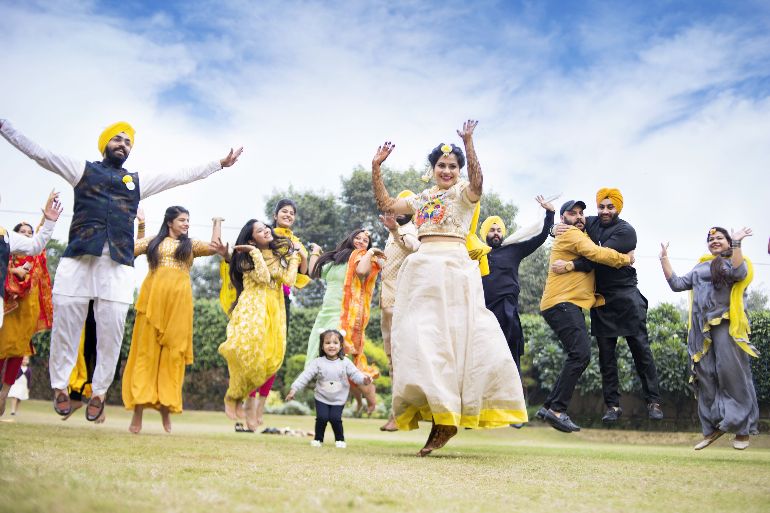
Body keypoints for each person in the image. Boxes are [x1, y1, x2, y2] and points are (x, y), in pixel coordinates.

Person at [0, 118, 242, 421]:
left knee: (112, 329)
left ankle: (99, 391)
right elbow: (40, 153)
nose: (123, 145)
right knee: (67, 326)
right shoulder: (81, 170)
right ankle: (60, 386)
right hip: (78, 259)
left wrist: (218, 163)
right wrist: (4, 126)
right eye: (118, 139)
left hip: (116, 266)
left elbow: (179, 175)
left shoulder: (137, 181)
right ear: (105, 144)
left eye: (128, 142)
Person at [371, 120, 528, 456]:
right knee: (417, 338)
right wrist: (375, 167)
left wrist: (469, 144)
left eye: (452, 166)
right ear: (433, 169)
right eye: (441, 165)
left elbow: (478, 182)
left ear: (459, 170)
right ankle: (439, 412)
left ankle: (447, 419)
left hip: (454, 268)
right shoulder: (422, 198)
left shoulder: (463, 193)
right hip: (421, 270)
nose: (446, 170)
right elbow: (386, 205)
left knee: (454, 342)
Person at [551, 188, 663, 422]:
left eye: (610, 207)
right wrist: (555, 229)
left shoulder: (626, 231)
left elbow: (597, 256)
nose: (604, 211)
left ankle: (653, 401)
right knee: (606, 358)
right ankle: (612, 406)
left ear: (618, 208)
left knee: (641, 351)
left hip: (626, 295)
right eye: (601, 207)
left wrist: (571, 265)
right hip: (601, 299)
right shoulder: (591, 223)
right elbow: (575, 225)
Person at [122, 206, 226, 434]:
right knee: (145, 356)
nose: (186, 223)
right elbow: (131, 248)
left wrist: (217, 221)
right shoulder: (154, 242)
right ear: (170, 222)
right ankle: (137, 414)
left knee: (172, 358)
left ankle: (166, 412)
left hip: (179, 308)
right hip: (151, 304)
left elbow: (214, 248)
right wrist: (140, 225)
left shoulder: (190, 246)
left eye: (188, 220)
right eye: (182, 220)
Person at [537, 200, 634, 433]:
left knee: (577, 354)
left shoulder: (578, 233)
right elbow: (596, 253)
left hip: (564, 303)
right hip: (562, 303)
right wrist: (626, 259)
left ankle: (549, 406)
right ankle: (557, 410)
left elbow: (588, 258)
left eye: (582, 213)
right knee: (580, 354)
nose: (579, 217)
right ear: (564, 219)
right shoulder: (571, 233)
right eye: (573, 213)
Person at [661, 226, 759, 450]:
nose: (714, 241)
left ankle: (742, 430)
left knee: (731, 373)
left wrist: (736, 243)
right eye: (711, 239)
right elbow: (676, 284)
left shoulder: (731, 262)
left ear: (727, 242)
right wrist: (664, 259)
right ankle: (713, 427)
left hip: (725, 325)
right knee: (705, 376)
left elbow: (739, 273)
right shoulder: (700, 267)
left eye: (719, 238)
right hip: (700, 330)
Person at [218, 219, 300, 427]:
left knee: (270, 359)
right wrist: (254, 252)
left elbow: (289, 280)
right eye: (260, 230)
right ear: (251, 237)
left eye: (266, 228)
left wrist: (294, 259)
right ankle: (234, 397)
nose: (266, 231)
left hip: (274, 309)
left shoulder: (279, 254)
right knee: (245, 352)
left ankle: (243, 403)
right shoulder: (244, 257)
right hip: (252, 308)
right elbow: (263, 278)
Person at [306, 229, 383, 414]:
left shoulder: (365, 258)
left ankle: (371, 402)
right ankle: (358, 402)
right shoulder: (337, 260)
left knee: (344, 362)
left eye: (366, 240)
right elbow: (313, 272)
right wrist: (316, 251)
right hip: (326, 314)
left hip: (345, 316)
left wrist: (371, 252)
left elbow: (362, 271)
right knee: (337, 365)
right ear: (350, 238)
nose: (361, 241)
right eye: (358, 237)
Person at [0, 192, 61, 415]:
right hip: (8, 307)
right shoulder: (8, 255)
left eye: (28, 232)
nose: (26, 235)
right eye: (22, 233)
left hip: (24, 311)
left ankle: (5, 391)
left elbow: (37, 241)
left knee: (17, 349)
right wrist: (13, 270)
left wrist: (48, 218)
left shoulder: (24, 249)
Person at [480, 195, 555, 371]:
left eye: (499, 229)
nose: (496, 233)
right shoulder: (477, 254)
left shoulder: (513, 250)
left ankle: (514, 395)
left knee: (510, 353)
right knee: (486, 356)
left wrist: (550, 214)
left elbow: (540, 238)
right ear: (485, 234)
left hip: (507, 309)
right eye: (492, 230)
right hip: (484, 311)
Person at [286, 329, 372, 448]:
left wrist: (364, 380)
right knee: (322, 418)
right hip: (321, 397)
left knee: (335, 418)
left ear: (341, 345)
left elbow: (355, 374)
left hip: (339, 398)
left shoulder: (345, 362)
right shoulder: (318, 362)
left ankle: (340, 440)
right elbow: (305, 376)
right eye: (327, 343)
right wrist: (294, 388)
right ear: (322, 346)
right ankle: (318, 439)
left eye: (335, 343)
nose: (331, 346)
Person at [378, 196, 420, 432]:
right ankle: (397, 415)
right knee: (393, 361)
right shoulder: (392, 232)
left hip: (401, 304)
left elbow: (414, 248)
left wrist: (396, 231)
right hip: (387, 305)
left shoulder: (411, 230)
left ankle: (402, 415)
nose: (397, 211)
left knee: (402, 361)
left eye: (402, 208)